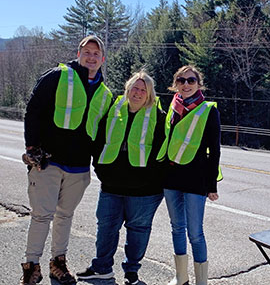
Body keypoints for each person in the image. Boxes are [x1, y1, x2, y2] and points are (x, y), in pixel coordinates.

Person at [21, 35, 112, 285]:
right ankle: (31, 267)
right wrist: (31, 146)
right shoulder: (59, 75)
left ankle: (57, 263)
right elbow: (34, 109)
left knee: (65, 216)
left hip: (79, 167)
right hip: (48, 161)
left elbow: (101, 134)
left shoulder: (105, 94)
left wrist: (100, 167)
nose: (91, 57)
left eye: (96, 53)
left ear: (102, 59)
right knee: (41, 215)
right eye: (87, 52)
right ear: (79, 53)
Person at [76, 71, 166, 285]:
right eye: (135, 87)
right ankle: (102, 268)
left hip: (145, 190)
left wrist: (151, 177)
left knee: (138, 231)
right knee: (106, 227)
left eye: (143, 90)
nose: (138, 92)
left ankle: (132, 272)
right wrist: (101, 168)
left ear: (150, 94)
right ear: (127, 89)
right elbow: (98, 140)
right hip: (111, 185)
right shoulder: (113, 111)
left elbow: (163, 151)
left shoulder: (159, 116)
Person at [157, 65, 221, 285]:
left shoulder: (208, 110)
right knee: (176, 228)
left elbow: (215, 150)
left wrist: (211, 185)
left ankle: (201, 281)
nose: (186, 84)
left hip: (196, 179)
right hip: (171, 177)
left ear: (198, 84)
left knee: (195, 233)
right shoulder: (172, 107)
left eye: (191, 80)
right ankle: (181, 277)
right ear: (175, 83)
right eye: (181, 80)